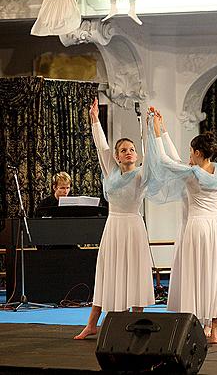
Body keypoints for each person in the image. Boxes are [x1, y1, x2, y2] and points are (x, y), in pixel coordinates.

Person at [148, 109, 217, 344]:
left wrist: (156, 132)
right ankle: (215, 332)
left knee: (193, 275)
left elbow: (166, 160)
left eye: (190, 151)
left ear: (197, 152)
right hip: (216, 227)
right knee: (215, 275)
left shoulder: (190, 173)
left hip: (196, 227)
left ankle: (191, 325)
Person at [75, 98, 160, 340]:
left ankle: (136, 321)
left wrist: (151, 127)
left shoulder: (142, 174)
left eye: (132, 149)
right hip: (113, 226)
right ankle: (92, 324)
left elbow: (154, 156)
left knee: (135, 271)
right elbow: (101, 145)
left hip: (133, 226)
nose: (129, 152)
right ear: (118, 157)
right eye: (124, 150)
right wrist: (94, 119)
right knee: (106, 273)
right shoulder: (110, 171)